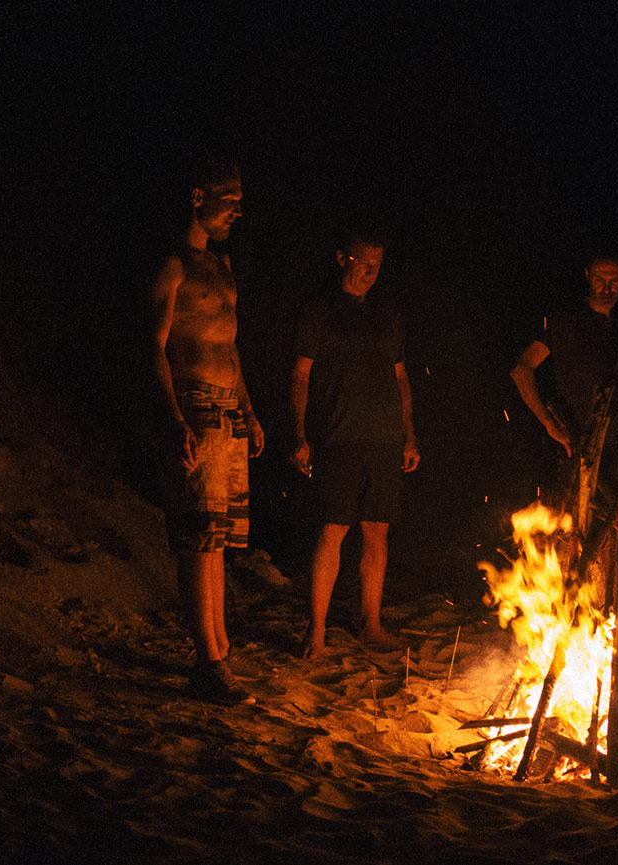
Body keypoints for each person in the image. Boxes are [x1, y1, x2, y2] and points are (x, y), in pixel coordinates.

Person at [149, 156, 263, 704]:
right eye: (230, 197)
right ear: (198, 196)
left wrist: (249, 409)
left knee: (218, 539)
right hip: (192, 407)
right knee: (197, 536)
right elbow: (152, 347)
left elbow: (230, 345)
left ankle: (218, 648)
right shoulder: (171, 265)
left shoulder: (221, 266)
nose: (239, 210)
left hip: (226, 410)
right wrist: (173, 421)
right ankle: (207, 662)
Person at [290, 230, 419, 658]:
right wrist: (300, 434)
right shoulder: (319, 311)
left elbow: (401, 378)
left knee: (377, 531)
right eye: (363, 262)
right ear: (342, 257)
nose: (370, 272)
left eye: (377, 264)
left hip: (384, 437)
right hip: (338, 435)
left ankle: (371, 623)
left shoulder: (386, 315)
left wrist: (409, 435)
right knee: (334, 528)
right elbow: (301, 375)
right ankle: (317, 631)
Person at [510, 251, 618, 506]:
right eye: (600, 278)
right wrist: (548, 423)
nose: (607, 287)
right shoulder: (567, 322)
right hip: (578, 447)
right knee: (574, 525)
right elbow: (522, 368)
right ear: (587, 275)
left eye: (614, 280)